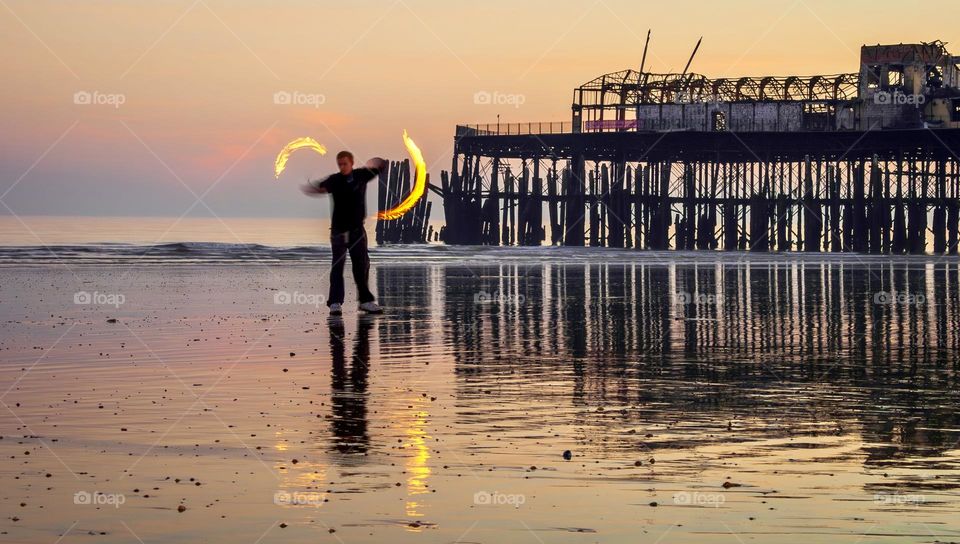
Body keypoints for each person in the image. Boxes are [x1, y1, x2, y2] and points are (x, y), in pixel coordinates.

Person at [302, 151, 386, 315]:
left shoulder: (361, 175)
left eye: (345, 163)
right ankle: (335, 303)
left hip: (357, 231)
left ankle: (365, 302)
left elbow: (380, 166)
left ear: (352, 162)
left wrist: (375, 161)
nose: (342, 166)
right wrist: (311, 187)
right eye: (339, 164)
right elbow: (320, 188)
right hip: (339, 231)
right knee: (337, 266)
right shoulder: (335, 180)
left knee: (361, 266)